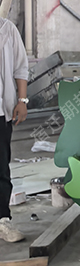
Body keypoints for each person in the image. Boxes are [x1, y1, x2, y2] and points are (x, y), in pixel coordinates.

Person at [0, 17, 29, 244]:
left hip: (1, 112)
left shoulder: (7, 29)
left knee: (1, 168)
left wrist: (22, 100)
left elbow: (20, 66)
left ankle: (2, 220)